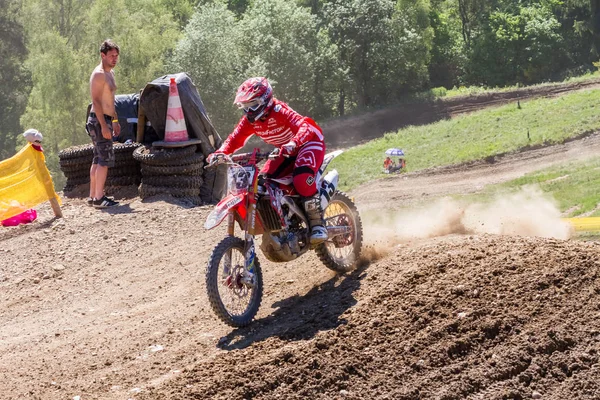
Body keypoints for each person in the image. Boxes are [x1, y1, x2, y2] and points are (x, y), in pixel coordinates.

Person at [207, 77, 328, 244]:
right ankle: (285, 221)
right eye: (245, 106)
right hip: (285, 151)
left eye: (253, 105)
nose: (249, 111)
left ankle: (317, 223)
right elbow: (234, 139)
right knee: (264, 184)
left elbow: (306, 126)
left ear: (266, 100)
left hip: (309, 143)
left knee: (301, 179)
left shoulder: (279, 110)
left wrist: (294, 142)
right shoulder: (250, 122)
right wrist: (219, 153)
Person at [86, 39, 121, 208]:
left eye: (116, 56)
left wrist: (114, 120)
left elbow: (110, 100)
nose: (114, 58)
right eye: (111, 55)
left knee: (98, 157)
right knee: (104, 160)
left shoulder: (110, 73)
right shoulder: (99, 74)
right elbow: (97, 101)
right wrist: (104, 125)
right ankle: (100, 197)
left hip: (106, 119)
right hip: (98, 120)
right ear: (103, 55)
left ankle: (93, 195)